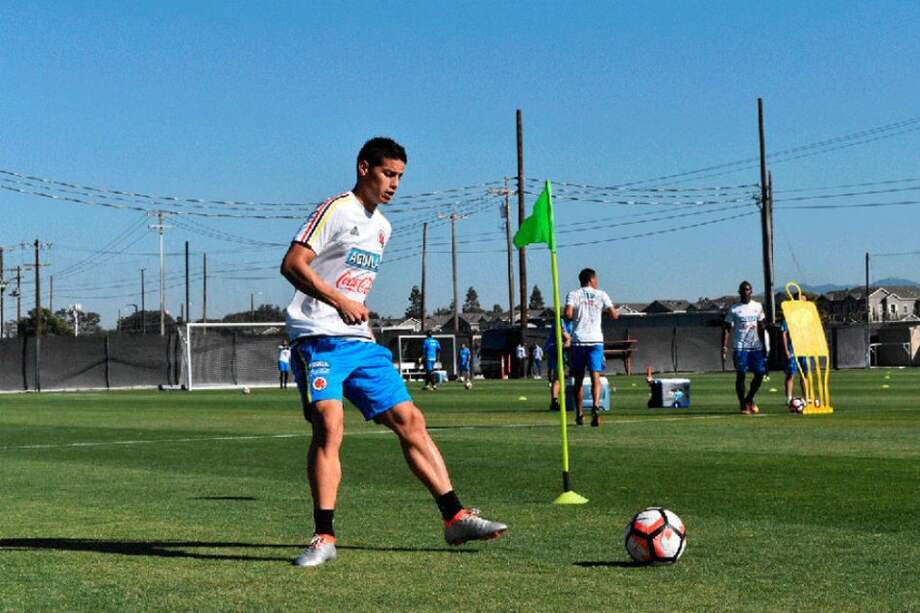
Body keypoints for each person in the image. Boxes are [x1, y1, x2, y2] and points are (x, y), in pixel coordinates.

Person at [280, 137, 507, 568]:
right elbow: (292, 265)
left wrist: (352, 306)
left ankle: (454, 516)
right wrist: (338, 301)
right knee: (330, 423)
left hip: (360, 340)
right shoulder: (336, 209)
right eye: (388, 174)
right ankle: (323, 536)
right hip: (317, 336)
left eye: (400, 176)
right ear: (364, 167)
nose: (394, 184)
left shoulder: (383, 228)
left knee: (410, 419)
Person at [564, 268, 618, 427]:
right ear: (592, 280)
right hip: (595, 341)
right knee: (596, 376)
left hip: (579, 340)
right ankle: (595, 406)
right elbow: (614, 315)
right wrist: (603, 313)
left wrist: (574, 314)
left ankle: (580, 414)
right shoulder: (602, 294)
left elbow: (567, 314)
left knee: (578, 379)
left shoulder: (573, 294)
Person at [722, 280, 767, 415]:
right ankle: (743, 404)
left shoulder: (758, 306)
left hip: (755, 346)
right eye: (743, 290)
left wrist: (765, 343)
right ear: (739, 292)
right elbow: (726, 328)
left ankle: (750, 398)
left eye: (748, 290)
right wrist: (724, 346)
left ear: (751, 292)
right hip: (740, 347)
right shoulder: (734, 308)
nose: (745, 292)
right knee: (741, 375)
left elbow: (761, 324)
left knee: (759, 373)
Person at [780, 292, 809, 406]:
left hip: (805, 349)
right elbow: (783, 333)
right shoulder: (789, 315)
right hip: (793, 349)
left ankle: (806, 397)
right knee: (791, 373)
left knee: (805, 374)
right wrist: (786, 350)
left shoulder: (808, 315)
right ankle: (789, 398)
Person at [546, 317, 573, 411]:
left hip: (564, 349)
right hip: (555, 348)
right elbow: (565, 335)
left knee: (560, 376)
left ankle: (565, 401)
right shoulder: (560, 320)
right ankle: (555, 401)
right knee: (558, 376)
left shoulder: (575, 321)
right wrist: (570, 339)